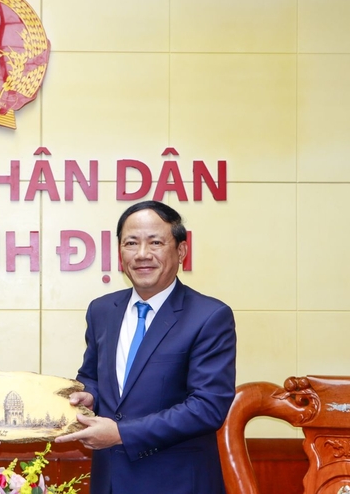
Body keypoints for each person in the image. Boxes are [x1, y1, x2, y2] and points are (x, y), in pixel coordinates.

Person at [56, 200, 236, 493]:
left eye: (155, 242)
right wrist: (89, 396)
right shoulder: (102, 311)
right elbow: (92, 378)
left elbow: (208, 407)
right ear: (119, 252)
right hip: (110, 481)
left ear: (181, 251)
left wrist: (120, 434)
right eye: (131, 243)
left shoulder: (209, 316)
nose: (142, 254)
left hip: (177, 483)